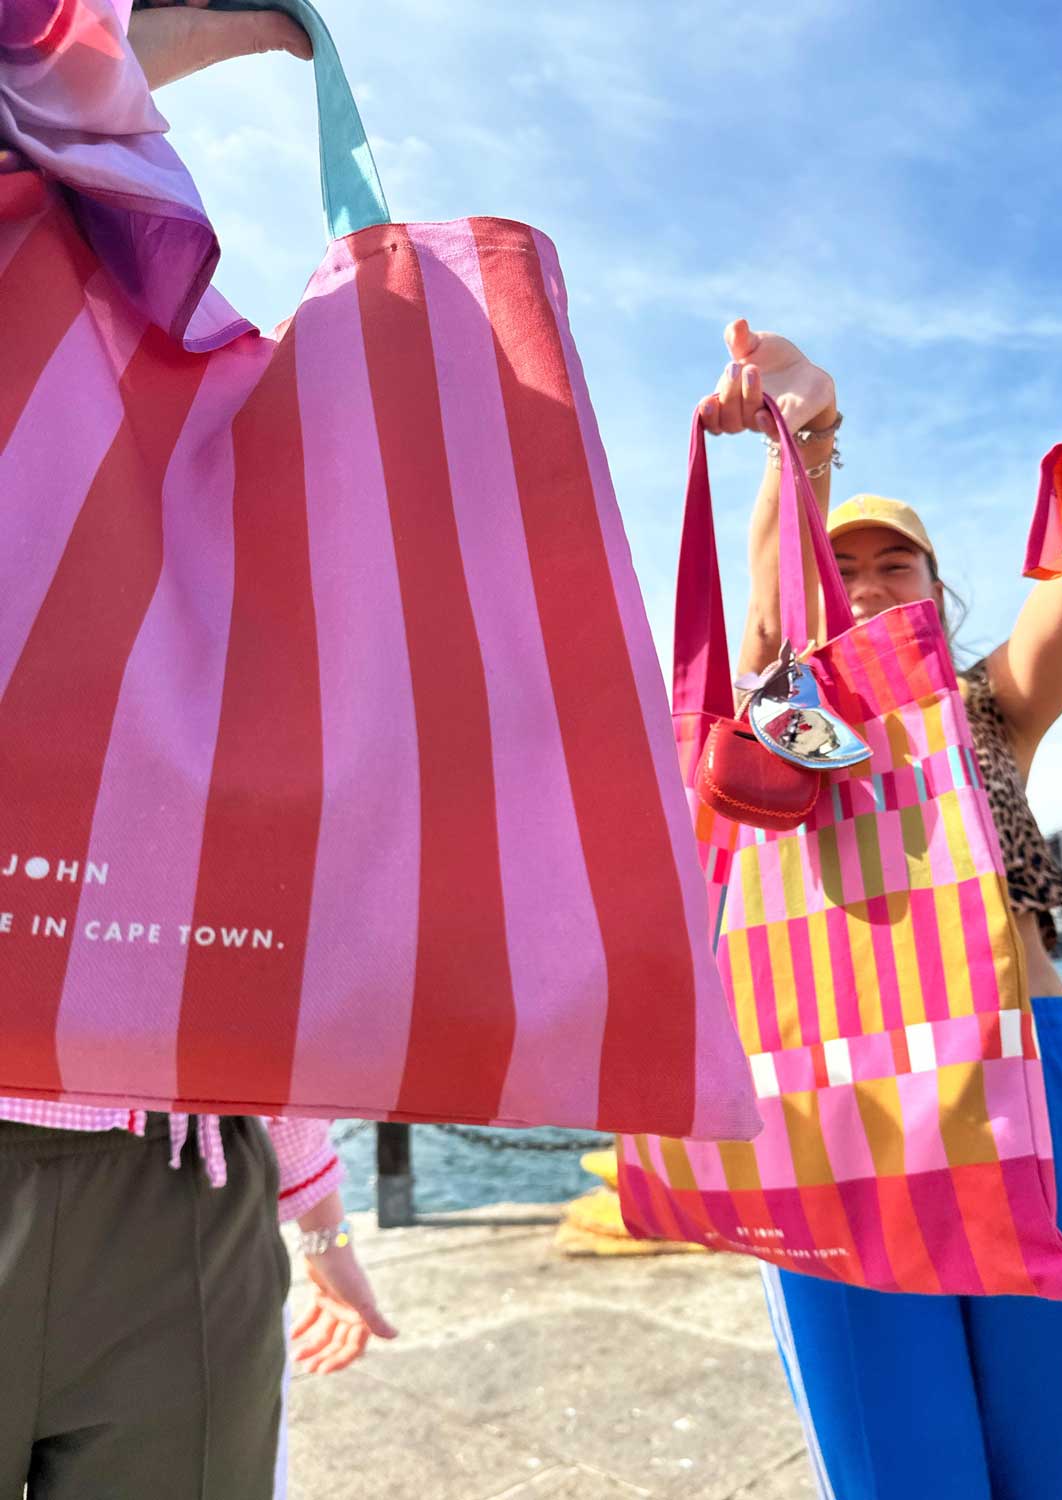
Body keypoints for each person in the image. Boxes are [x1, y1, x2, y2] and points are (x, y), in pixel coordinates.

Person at [696, 236, 1062, 1500]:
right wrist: (805, 435)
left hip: (1023, 1064)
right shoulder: (778, 711)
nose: (868, 586)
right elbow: (766, 611)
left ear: (936, 587)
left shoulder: (993, 705)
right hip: (826, 1092)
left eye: (897, 564)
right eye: (844, 565)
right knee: (891, 1454)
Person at [0, 5, 394, 1496]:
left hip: (186, 1169)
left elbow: (239, 905)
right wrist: (146, 43)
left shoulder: (212, 510)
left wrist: (317, 1211)